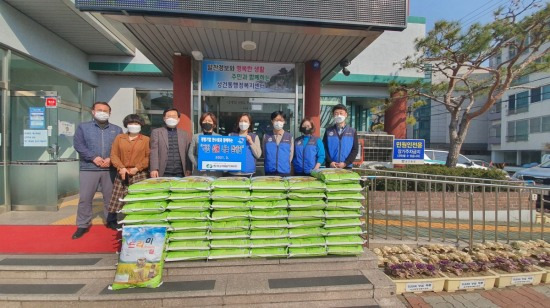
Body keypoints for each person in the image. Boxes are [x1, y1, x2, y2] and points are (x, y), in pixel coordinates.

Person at [73, 102, 122, 239]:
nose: (102, 112)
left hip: (110, 168)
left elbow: (120, 147)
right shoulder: (83, 127)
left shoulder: (116, 129)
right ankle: (82, 224)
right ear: (93, 112)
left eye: (105, 110)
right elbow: (79, 145)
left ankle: (111, 220)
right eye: (99, 110)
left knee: (110, 198)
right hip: (89, 167)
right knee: (85, 198)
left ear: (110, 113)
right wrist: (93, 157)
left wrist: (111, 159)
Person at [107, 114, 150, 229]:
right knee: (117, 196)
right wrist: (121, 167)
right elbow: (114, 154)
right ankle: (112, 220)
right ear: (126, 125)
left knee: (137, 197)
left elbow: (148, 157)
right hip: (122, 171)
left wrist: (137, 168)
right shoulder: (119, 138)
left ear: (141, 125)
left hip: (139, 173)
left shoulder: (146, 140)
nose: (134, 126)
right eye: (131, 123)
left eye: (136, 123)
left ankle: (136, 219)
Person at [150, 108, 192, 178]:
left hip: (181, 172)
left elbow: (187, 152)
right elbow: (154, 151)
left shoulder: (185, 134)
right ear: (164, 118)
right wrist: (154, 169)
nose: (171, 118)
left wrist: (189, 168)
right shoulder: (156, 132)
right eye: (168, 116)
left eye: (174, 116)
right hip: (163, 172)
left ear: (178, 119)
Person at [323, 104, 359, 169]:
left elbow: (355, 149)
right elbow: (324, 148)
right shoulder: (328, 131)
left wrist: (345, 163)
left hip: (346, 166)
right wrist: (330, 162)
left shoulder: (352, 131)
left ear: (346, 115)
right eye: (336, 113)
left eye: (341, 113)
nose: (338, 115)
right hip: (331, 166)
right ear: (333, 115)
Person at [263, 111, 293, 176]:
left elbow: (291, 155)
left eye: (281, 120)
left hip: (284, 171)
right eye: (276, 120)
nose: (278, 122)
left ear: (284, 122)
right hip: (270, 171)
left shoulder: (289, 137)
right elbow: (265, 153)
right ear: (272, 121)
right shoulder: (266, 136)